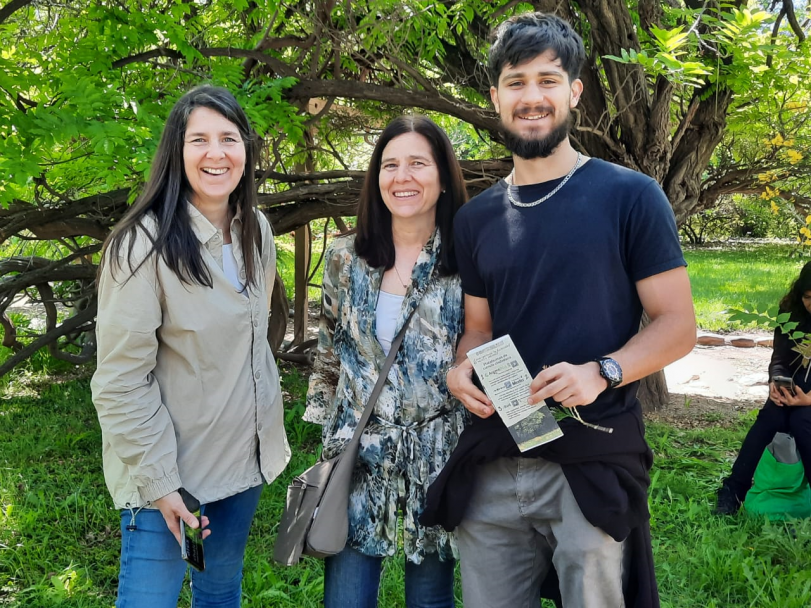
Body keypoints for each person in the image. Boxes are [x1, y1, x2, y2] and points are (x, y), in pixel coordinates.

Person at [420, 12, 696, 608]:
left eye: (548, 80)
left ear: (574, 91)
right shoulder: (476, 219)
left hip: (590, 459)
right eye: (516, 82)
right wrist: (460, 369)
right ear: (495, 97)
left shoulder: (630, 196)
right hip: (495, 455)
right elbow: (478, 330)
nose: (532, 97)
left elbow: (678, 324)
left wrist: (602, 371)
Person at [91, 85, 290, 608]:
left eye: (229, 138)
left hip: (240, 466)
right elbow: (120, 382)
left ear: (246, 150)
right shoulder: (141, 245)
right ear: (177, 153)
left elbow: (251, 344)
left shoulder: (257, 230)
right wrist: (162, 487)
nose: (216, 153)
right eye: (198, 139)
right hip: (168, 478)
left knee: (220, 594)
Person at [303, 115, 468, 608]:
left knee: (429, 597)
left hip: (438, 452)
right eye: (390, 165)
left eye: (418, 163)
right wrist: (325, 435)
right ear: (376, 178)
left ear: (442, 178)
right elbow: (330, 348)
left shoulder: (467, 260)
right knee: (347, 597)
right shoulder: (344, 257)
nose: (403, 177)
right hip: (357, 448)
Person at [715, 261, 811, 515]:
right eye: (808, 297)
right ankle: (732, 492)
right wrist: (776, 382)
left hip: (808, 399)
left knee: (803, 420)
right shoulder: (790, 311)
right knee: (772, 415)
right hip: (796, 389)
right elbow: (780, 358)